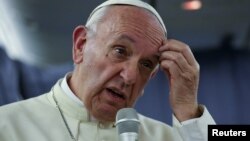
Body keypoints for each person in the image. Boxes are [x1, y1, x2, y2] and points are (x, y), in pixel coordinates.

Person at [0, 0, 215, 141]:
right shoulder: (7, 125)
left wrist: (188, 111)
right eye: (120, 51)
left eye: (146, 64)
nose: (130, 76)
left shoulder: (165, 137)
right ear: (80, 45)